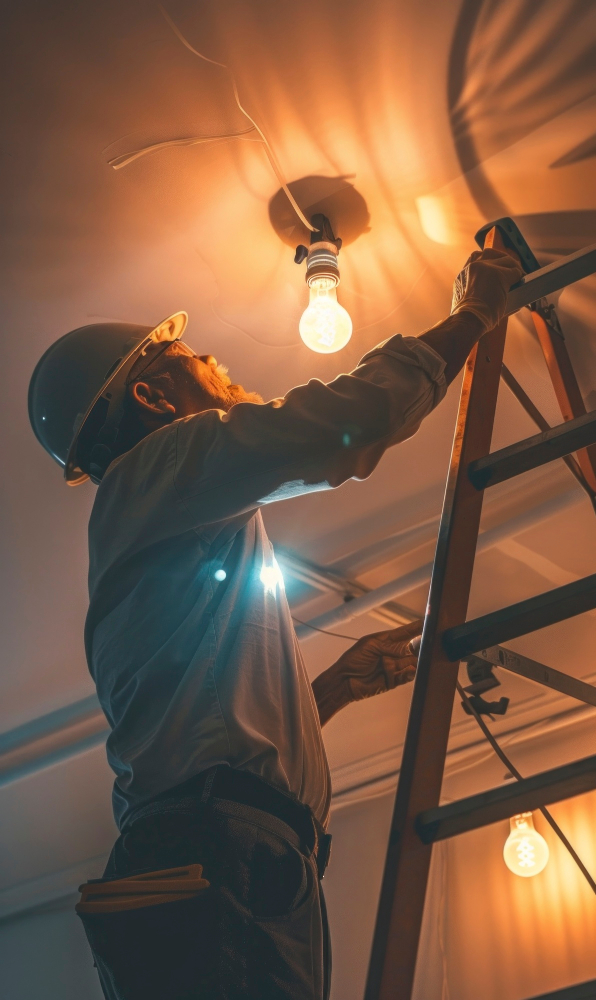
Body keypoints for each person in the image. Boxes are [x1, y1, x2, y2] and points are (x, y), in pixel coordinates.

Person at [28, 247, 522, 999]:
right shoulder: (159, 468)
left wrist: (330, 691)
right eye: (193, 356)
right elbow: (345, 427)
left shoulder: (163, 521)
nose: (216, 358)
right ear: (155, 398)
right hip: (220, 849)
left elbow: (207, 743)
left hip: (217, 846)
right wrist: (474, 314)